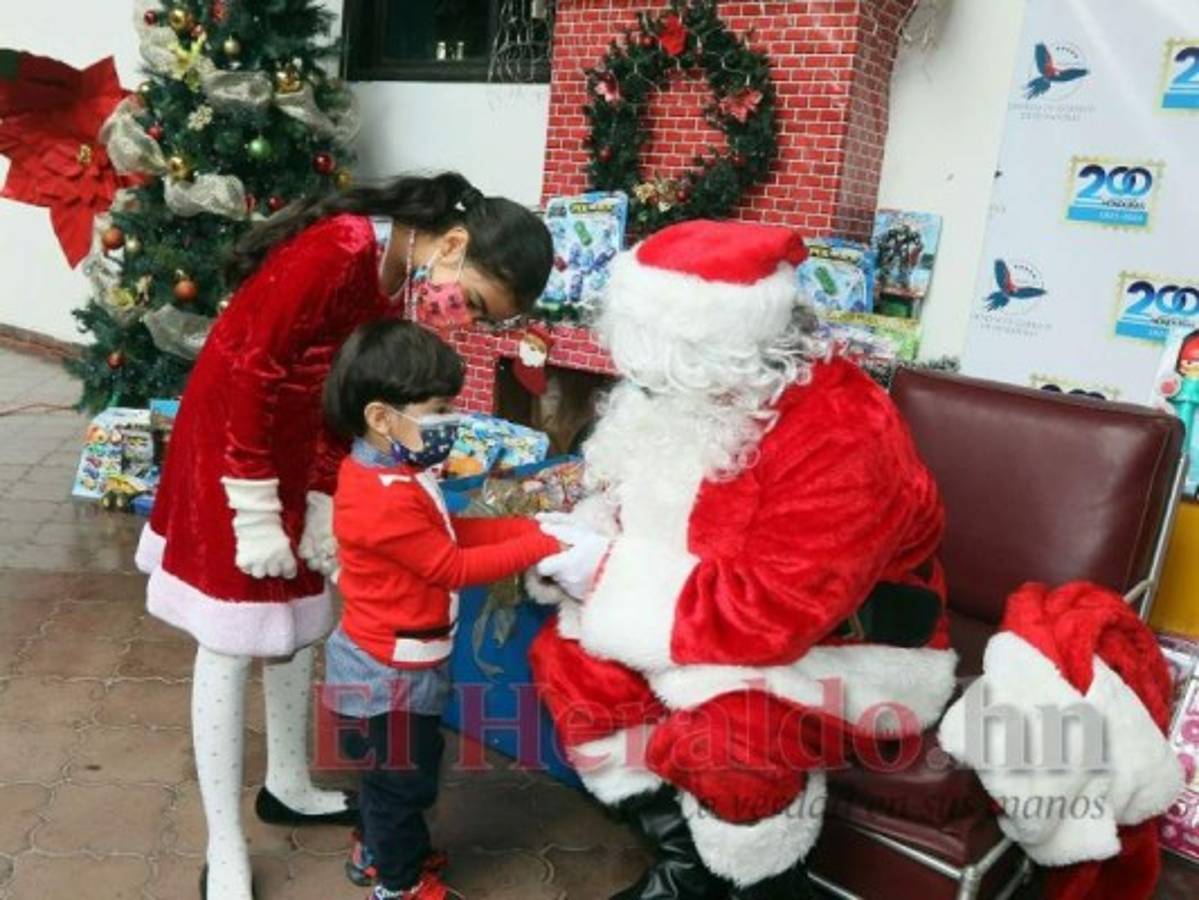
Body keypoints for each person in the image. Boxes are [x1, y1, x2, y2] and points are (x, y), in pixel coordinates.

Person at [134, 172, 553, 900]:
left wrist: (325, 489)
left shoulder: (398, 282)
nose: (464, 320)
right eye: (477, 303)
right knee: (231, 639)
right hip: (233, 453)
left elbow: (345, 396)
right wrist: (256, 507)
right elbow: (247, 368)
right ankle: (223, 843)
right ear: (452, 245)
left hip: (299, 453)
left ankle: (288, 783)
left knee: (294, 619)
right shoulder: (339, 247)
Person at [527, 220, 959, 899]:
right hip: (705, 619)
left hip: (850, 646)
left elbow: (779, 613)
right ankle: (684, 868)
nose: (641, 381)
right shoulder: (680, 394)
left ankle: (763, 881)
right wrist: (582, 532)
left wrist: (604, 575)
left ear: (721, 352)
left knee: (730, 741)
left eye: (662, 362)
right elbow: (636, 501)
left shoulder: (845, 434)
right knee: (572, 667)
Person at [320, 319, 563, 900]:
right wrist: (544, 546)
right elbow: (451, 567)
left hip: (400, 664)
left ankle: (378, 846)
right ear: (382, 417)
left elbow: (452, 533)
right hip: (388, 678)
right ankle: (398, 883)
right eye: (437, 408)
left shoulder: (396, 473)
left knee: (393, 778)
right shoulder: (382, 501)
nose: (451, 421)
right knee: (401, 783)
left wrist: (531, 525)